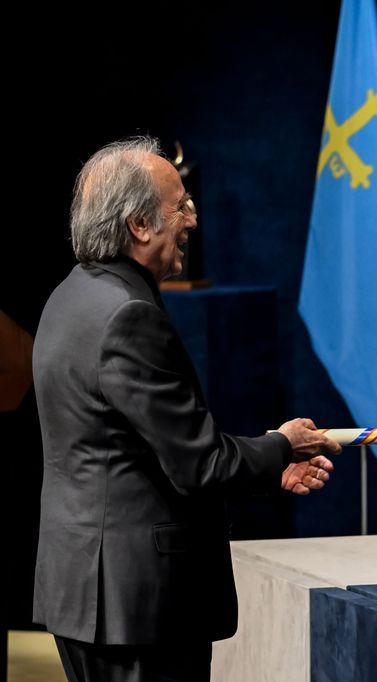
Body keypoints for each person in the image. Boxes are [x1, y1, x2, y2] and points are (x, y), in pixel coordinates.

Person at [32, 137, 342, 682]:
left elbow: (136, 454)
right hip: (139, 610)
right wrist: (284, 444)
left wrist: (272, 463)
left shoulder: (70, 296)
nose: (192, 220)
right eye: (181, 205)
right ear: (139, 225)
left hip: (85, 593)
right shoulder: (129, 316)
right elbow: (200, 464)